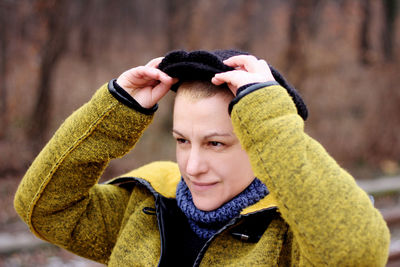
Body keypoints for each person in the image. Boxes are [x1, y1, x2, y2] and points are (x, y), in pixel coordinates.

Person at [14, 49, 390, 266]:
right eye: (182, 140)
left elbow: (356, 253)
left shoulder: (295, 234)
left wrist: (268, 114)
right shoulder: (145, 202)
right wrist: (114, 110)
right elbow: (43, 208)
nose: (192, 167)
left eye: (216, 144)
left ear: (263, 143)